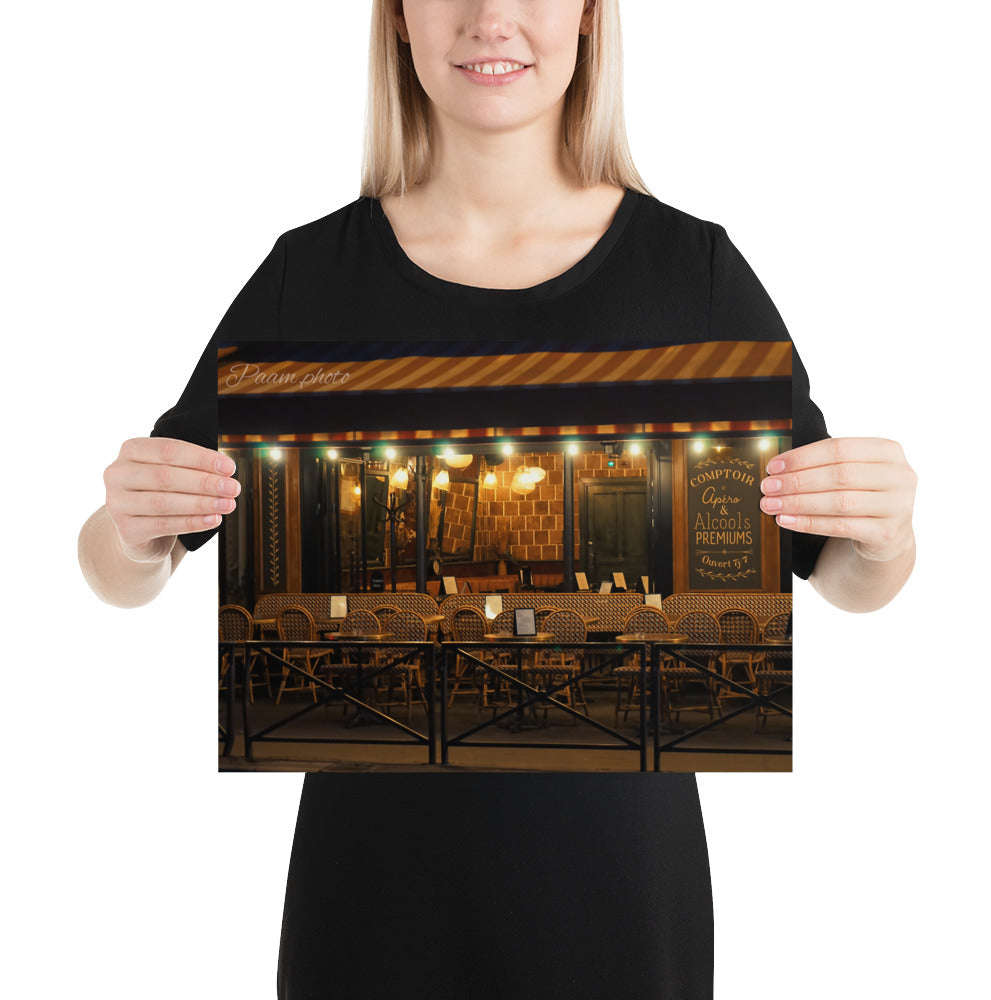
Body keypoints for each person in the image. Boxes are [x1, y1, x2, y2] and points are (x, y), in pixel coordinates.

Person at [78, 2, 916, 996]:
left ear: (591, 17)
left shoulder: (693, 275)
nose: (491, 18)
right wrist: (131, 531)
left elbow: (842, 575)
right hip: (369, 903)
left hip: (620, 901)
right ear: (396, 19)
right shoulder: (310, 277)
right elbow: (123, 566)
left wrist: (885, 531)